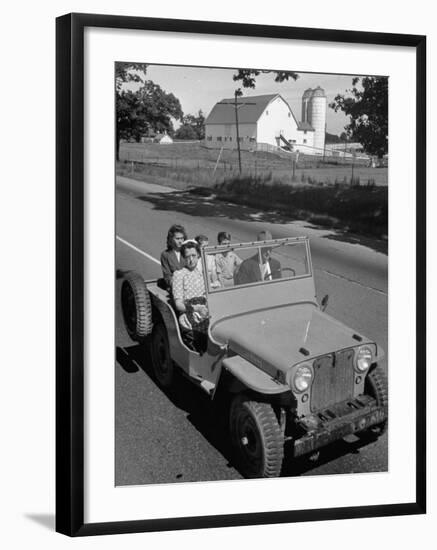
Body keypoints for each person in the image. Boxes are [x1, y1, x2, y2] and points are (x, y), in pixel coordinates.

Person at [172, 241, 209, 352]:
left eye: (193, 255)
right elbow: (179, 304)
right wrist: (197, 308)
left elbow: (209, 295)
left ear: (198, 255)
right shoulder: (179, 275)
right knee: (199, 338)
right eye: (187, 256)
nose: (191, 259)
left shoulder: (203, 273)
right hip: (189, 313)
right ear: (183, 258)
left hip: (205, 311)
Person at [160, 224, 187, 290]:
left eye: (182, 238)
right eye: (177, 239)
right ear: (171, 239)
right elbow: (167, 276)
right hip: (175, 288)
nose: (180, 241)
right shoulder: (165, 255)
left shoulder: (188, 252)